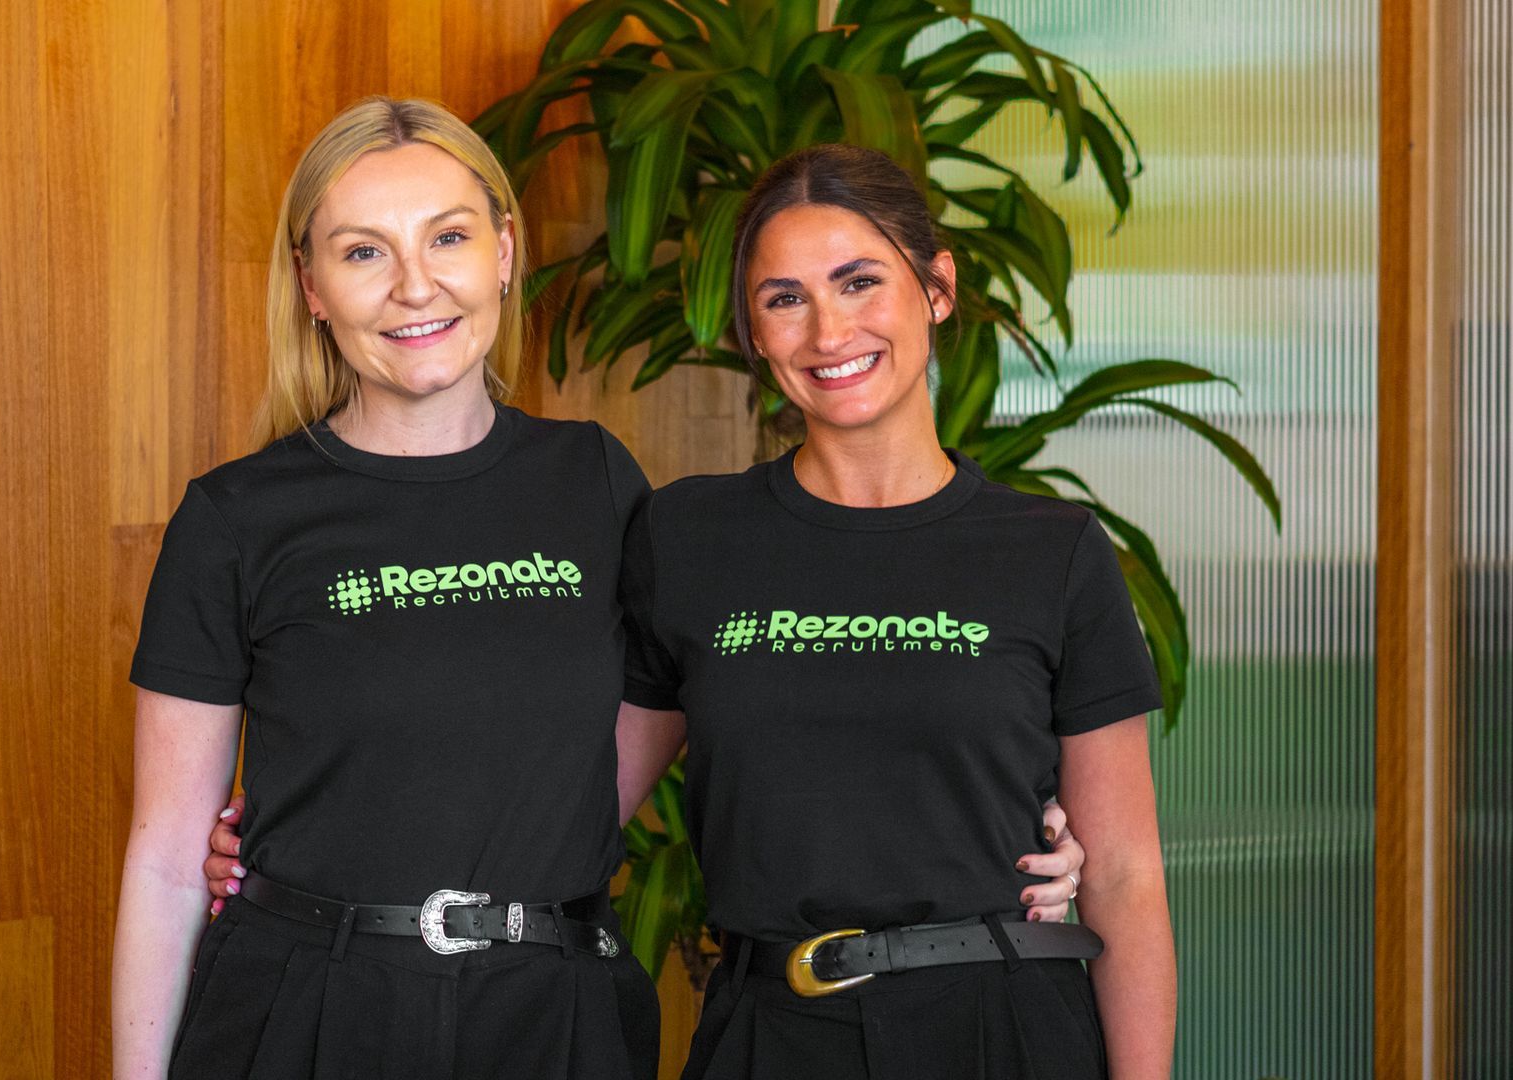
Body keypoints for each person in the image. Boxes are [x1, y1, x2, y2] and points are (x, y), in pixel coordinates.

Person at [111, 96, 662, 1080]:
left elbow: (674, 707)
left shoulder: (596, 480)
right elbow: (163, 864)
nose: (416, 286)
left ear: (502, 252)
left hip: (555, 1013)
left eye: (447, 237)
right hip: (307, 1009)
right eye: (364, 252)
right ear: (311, 287)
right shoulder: (237, 516)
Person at [620, 143, 1178, 1079]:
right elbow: (572, 806)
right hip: (771, 1036)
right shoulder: (688, 538)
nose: (828, 330)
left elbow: (1123, 874)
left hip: (1003, 1029)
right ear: (753, 333)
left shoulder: (1053, 550)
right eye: (784, 298)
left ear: (937, 288)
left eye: (859, 282)